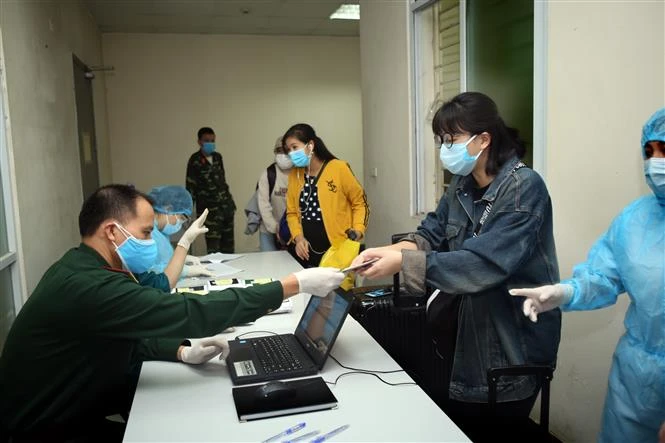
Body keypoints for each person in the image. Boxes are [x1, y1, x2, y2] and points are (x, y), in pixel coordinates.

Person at [0, 184, 345, 441]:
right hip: (45, 430)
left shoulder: (83, 267)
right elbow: (189, 311)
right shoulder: (88, 286)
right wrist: (290, 285)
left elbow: (123, 335)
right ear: (110, 231)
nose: (151, 241)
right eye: (146, 232)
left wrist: (179, 350)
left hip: (73, 407)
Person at [350, 92, 562, 438]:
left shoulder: (524, 189)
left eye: (452, 139)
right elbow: (430, 232)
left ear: (483, 139)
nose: (445, 148)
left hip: (508, 348)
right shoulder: (463, 186)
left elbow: (482, 265)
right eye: (442, 140)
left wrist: (404, 262)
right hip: (461, 338)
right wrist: (387, 253)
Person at [510, 107, 665, 443]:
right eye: (649, 152)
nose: (655, 163)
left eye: (664, 149)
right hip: (635, 382)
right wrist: (564, 293)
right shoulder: (635, 218)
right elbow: (605, 276)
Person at [283, 123, 369, 268]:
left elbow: (360, 203)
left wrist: (358, 230)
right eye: (288, 150)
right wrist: (298, 238)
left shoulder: (338, 168)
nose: (291, 153)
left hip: (337, 249)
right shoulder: (294, 175)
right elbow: (291, 213)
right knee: (306, 290)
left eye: (294, 147)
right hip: (305, 251)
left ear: (310, 145)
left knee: (339, 290)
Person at [147, 185, 215, 288]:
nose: (181, 223)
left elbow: (163, 259)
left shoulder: (161, 232)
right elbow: (150, 272)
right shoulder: (147, 233)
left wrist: (183, 258)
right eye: (181, 218)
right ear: (168, 209)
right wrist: (186, 271)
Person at [186, 126, 236, 253]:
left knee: (229, 248)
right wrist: (188, 213)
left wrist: (230, 205)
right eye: (207, 140)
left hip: (226, 208)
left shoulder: (218, 157)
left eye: (212, 140)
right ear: (199, 142)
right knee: (214, 251)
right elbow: (190, 187)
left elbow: (223, 182)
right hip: (210, 212)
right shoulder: (195, 160)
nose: (210, 143)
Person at [257, 136, 292, 251]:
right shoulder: (268, 174)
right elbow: (263, 205)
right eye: (279, 151)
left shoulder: (300, 174)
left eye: (286, 151)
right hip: (268, 229)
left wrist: (287, 229)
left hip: (293, 230)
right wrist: (276, 227)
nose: (283, 154)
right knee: (269, 263)